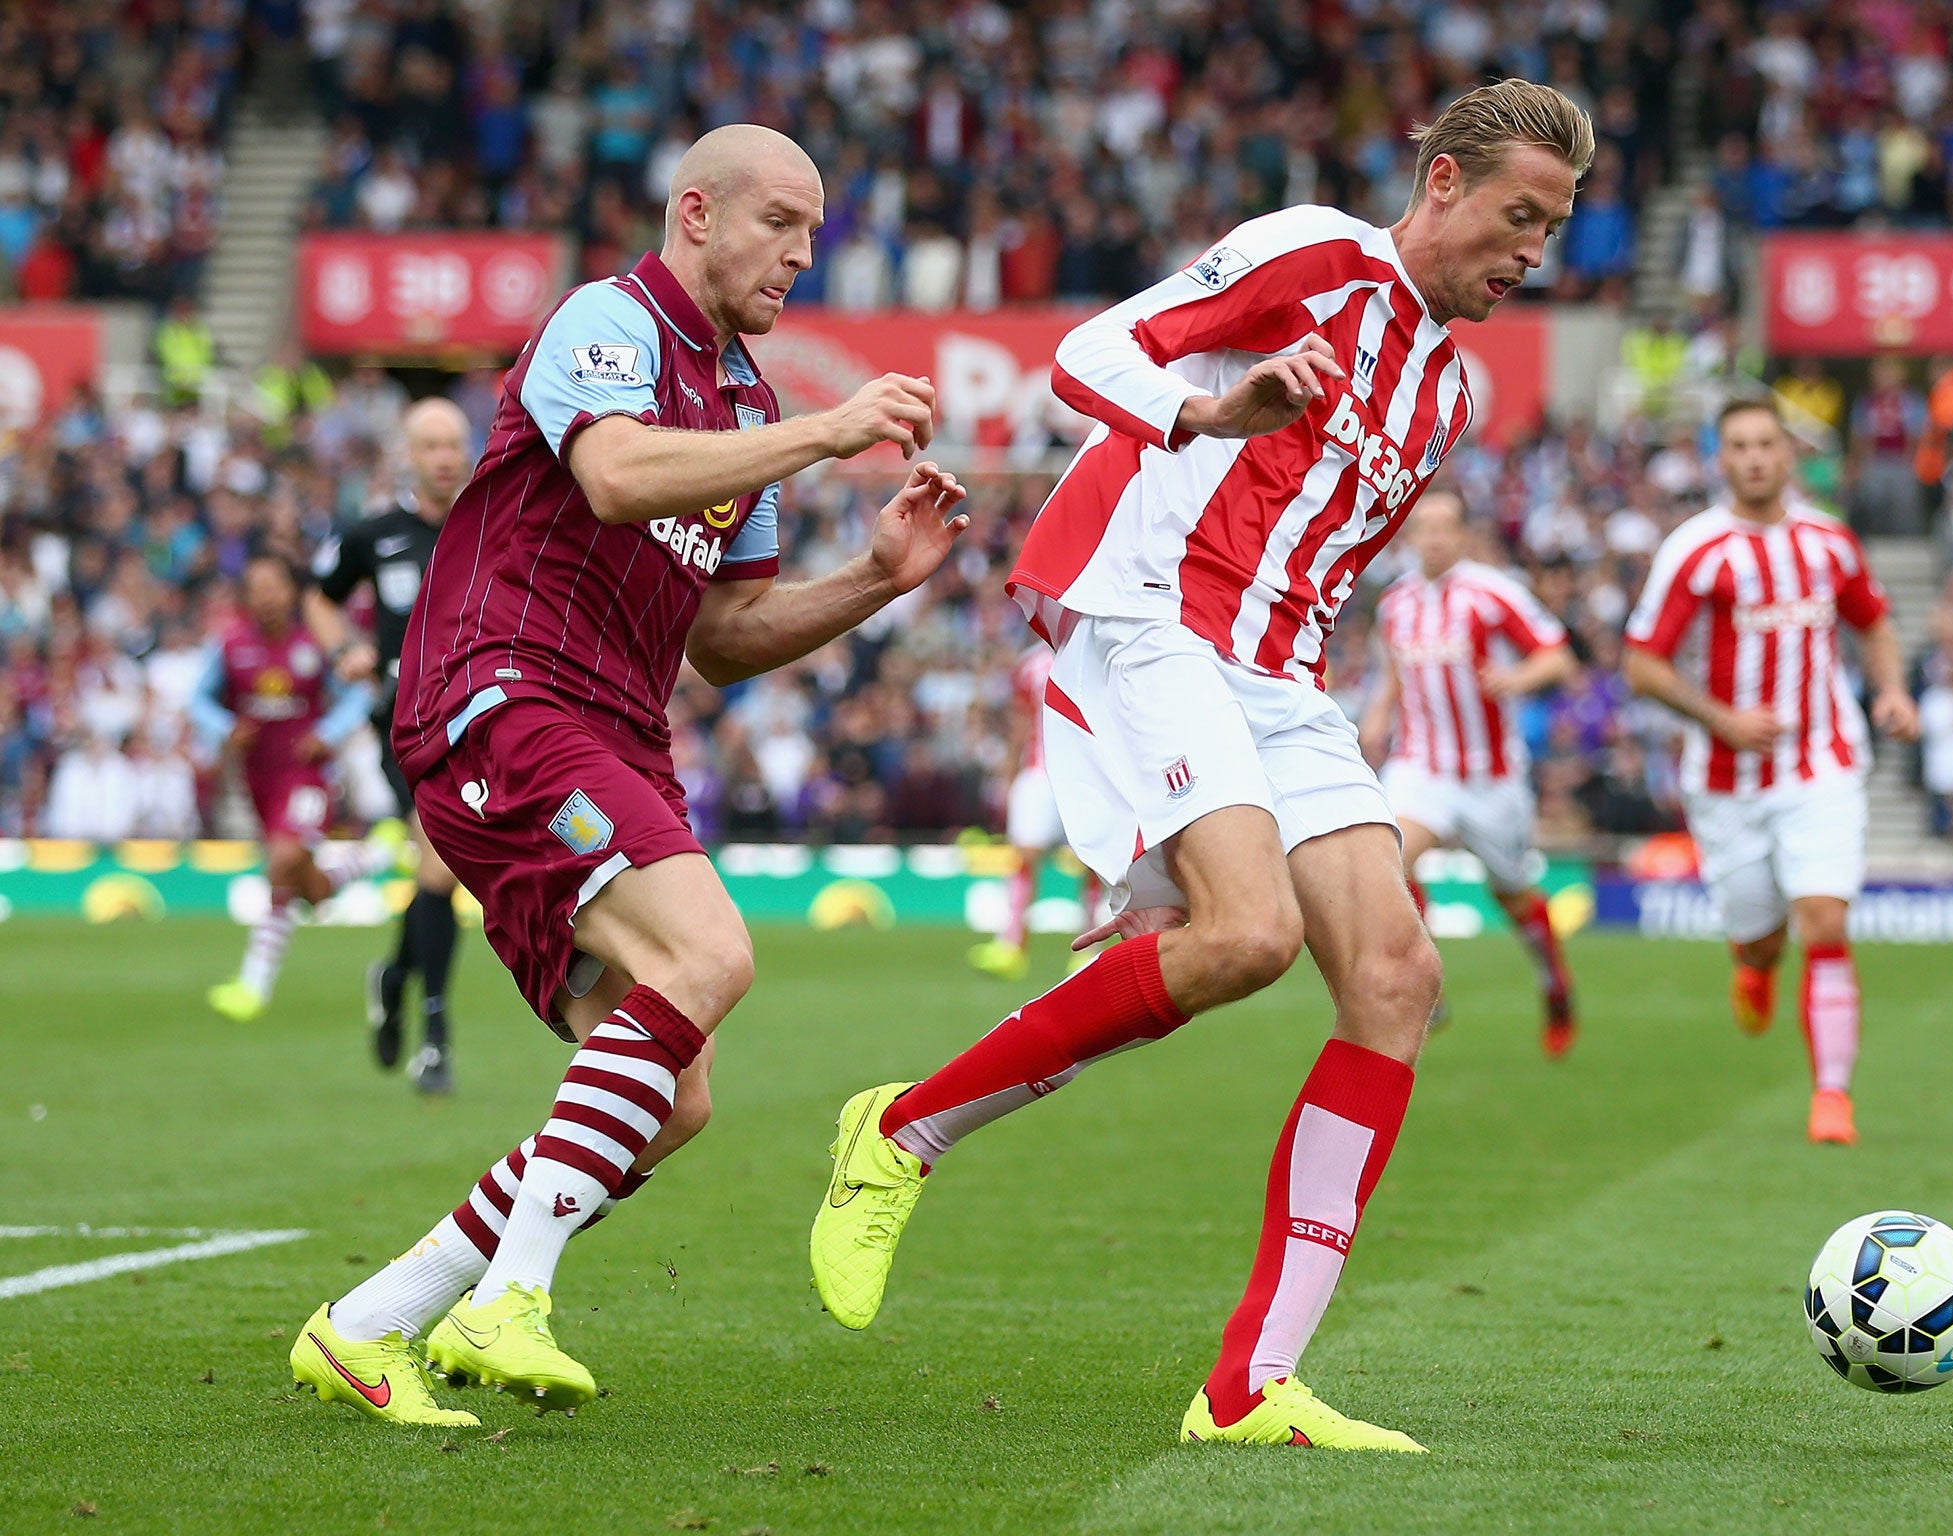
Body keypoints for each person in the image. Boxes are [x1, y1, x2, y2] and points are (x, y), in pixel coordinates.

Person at [810, 80, 1593, 1452]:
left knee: (1399, 981)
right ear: (1446, 186)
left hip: (1279, 675)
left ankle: (1249, 1388)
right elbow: (1094, 353)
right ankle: (899, 1134)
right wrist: (1210, 415)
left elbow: (1318, 557)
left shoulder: (1451, 390)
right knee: (1246, 937)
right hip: (1153, 613)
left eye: (1554, 230)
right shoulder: (1315, 254)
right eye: (1519, 217)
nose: (1532, 253)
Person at [288, 123, 967, 1428]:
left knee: (676, 1095)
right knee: (709, 956)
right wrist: (831, 434)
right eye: (782, 221)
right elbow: (611, 476)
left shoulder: (751, 403)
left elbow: (725, 637)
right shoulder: (609, 321)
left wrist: (875, 580)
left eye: (815, 231)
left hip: (616, 732)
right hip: (506, 689)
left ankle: (369, 1325)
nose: (803, 253)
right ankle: (513, 1297)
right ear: (698, 213)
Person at [1623, 396, 1919, 1147]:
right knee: (1760, 937)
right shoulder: (1696, 549)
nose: (1755, 458)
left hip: (1821, 764)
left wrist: (1890, 691)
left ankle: (1832, 1097)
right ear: (1722, 460)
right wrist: (1721, 720)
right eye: (1741, 447)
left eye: (1766, 444)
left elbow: (1873, 620)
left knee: (1825, 919)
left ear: (1788, 454)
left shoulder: (1829, 541)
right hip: (1727, 778)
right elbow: (1641, 664)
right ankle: (1754, 965)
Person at [1360, 489, 1580, 1055]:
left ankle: (1555, 986)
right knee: (1388, 859)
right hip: (1422, 764)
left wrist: (1518, 680)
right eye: (1423, 528)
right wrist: (1381, 712)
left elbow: (1557, 655)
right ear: (1410, 537)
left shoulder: (1492, 594)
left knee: (1510, 894)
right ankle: (1423, 988)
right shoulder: (1396, 604)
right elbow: (1393, 672)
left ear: (1462, 536)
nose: (1433, 538)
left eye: (1444, 528)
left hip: (1491, 775)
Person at [307, 397, 472, 1094]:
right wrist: (345, 646)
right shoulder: (374, 533)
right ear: (407, 454)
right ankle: (434, 1039)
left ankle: (396, 974)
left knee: (446, 874)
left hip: (478, 722)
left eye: (452, 443)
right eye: (429, 445)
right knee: (439, 868)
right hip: (405, 725)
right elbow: (319, 598)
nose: (442, 457)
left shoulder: (490, 524)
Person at [195, 554, 400, 1022]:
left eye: (273, 586)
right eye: (256, 587)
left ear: (292, 593)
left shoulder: (313, 643)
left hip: (307, 777)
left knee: (282, 861)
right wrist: (225, 726)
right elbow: (197, 698)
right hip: (260, 779)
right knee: (313, 889)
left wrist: (327, 734)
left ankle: (253, 985)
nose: (266, 596)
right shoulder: (230, 646)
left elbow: (356, 693)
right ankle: (376, 856)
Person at [966, 643, 1099, 981]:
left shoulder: (1098, 650)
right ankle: (1011, 946)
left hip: (1088, 774)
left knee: (1094, 861)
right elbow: (1019, 724)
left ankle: (1089, 949)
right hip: (1039, 773)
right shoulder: (1031, 665)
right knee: (1025, 855)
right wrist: (1008, 779)